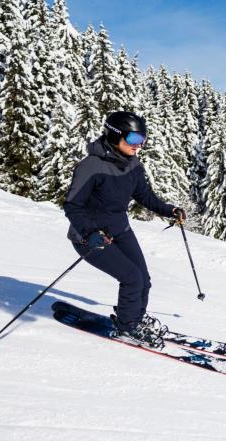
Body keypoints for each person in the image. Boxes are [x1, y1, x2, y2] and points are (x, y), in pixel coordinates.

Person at [63, 111, 185, 347]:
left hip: (120, 231)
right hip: (91, 238)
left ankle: (134, 319)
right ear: (114, 135)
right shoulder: (91, 167)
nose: (138, 146)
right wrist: (90, 233)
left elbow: (145, 196)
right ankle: (127, 328)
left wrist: (169, 210)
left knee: (144, 279)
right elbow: (72, 205)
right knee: (131, 278)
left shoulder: (133, 164)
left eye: (142, 140)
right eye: (132, 140)